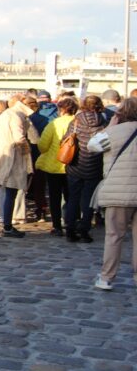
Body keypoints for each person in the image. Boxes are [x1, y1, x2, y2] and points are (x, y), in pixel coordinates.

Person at [89, 98, 137, 290]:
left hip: (118, 192)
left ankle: (107, 277)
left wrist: (109, 126)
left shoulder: (113, 132)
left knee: (114, 236)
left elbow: (92, 146)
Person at [0, 95, 40, 238]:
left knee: (7, 191)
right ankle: (7, 225)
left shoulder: (8, 113)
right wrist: (28, 152)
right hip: (12, 156)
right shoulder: (16, 115)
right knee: (11, 191)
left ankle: (6, 222)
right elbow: (19, 138)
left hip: (3, 153)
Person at [63, 95, 107, 243]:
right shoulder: (103, 121)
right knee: (89, 200)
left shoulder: (76, 120)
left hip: (76, 164)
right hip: (95, 165)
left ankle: (70, 229)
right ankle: (84, 229)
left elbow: (65, 139)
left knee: (73, 198)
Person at [36, 96, 78, 236]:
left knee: (54, 196)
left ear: (61, 110)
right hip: (74, 165)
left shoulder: (54, 124)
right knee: (71, 196)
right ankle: (71, 222)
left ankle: (57, 226)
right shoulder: (79, 123)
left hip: (54, 164)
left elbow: (43, 145)